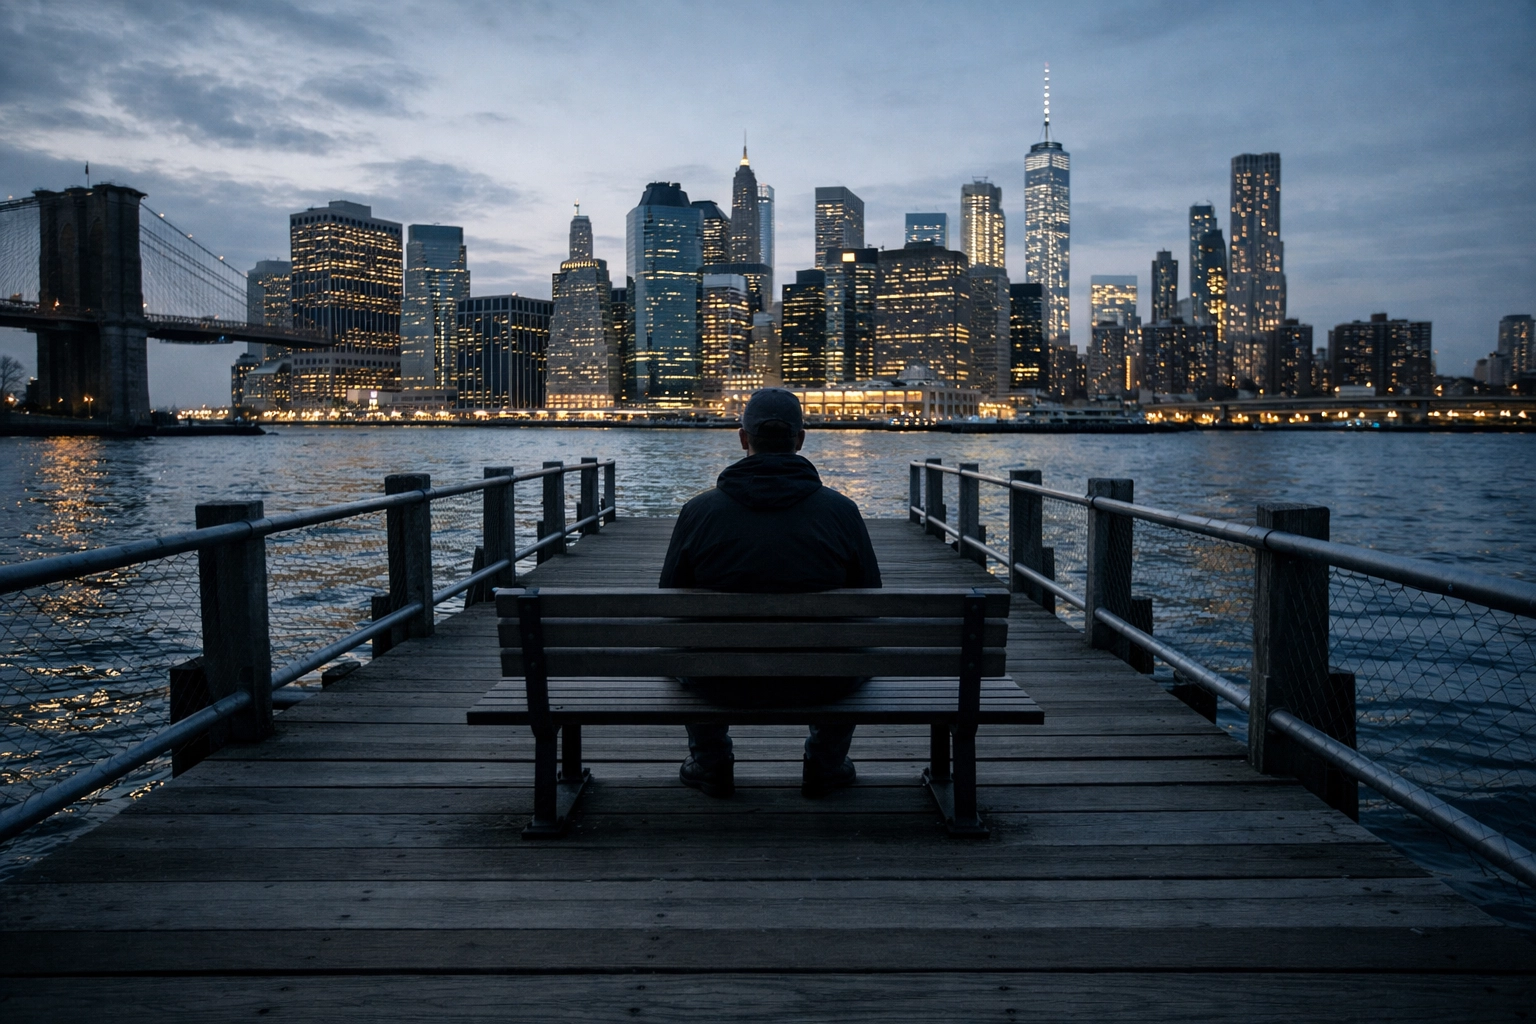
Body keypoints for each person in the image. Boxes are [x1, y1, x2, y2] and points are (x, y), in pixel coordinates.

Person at [659, 387, 882, 800]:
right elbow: (870, 598)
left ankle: (710, 762)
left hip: (718, 679)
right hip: (821, 680)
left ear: (744, 438)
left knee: (683, 646)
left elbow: (670, 598)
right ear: (800, 440)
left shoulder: (699, 512)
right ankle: (825, 762)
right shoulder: (842, 511)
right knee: (855, 647)